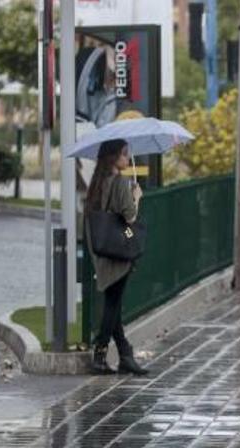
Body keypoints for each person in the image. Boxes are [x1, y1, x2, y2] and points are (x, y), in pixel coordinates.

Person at [84, 139, 149, 376]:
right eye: (124, 153)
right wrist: (137, 196)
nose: (127, 157)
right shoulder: (120, 183)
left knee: (115, 306)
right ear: (114, 157)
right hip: (118, 254)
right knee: (113, 306)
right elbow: (130, 217)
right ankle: (99, 354)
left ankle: (125, 355)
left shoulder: (97, 185)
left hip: (102, 252)